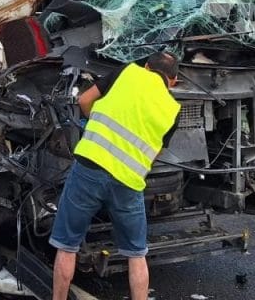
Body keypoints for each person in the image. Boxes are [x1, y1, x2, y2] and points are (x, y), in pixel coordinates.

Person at [51, 51, 181, 300]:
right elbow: (153, 154)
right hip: (128, 180)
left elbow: (84, 100)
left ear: (146, 66)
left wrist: (95, 125)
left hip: (90, 165)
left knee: (67, 246)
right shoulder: (173, 109)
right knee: (136, 253)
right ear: (173, 81)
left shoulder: (128, 71)